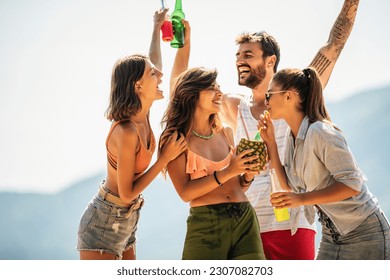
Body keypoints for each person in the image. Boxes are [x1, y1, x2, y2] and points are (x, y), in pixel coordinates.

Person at [218, 0, 361, 259]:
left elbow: (333, 47)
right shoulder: (233, 106)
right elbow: (187, 94)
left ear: (270, 60)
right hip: (245, 224)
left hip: (292, 224)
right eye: (237, 55)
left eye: (248, 55)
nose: (239, 60)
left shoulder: (296, 94)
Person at [77, 9, 187, 260]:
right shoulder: (126, 131)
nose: (160, 74)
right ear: (138, 87)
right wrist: (164, 159)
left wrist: (156, 26)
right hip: (103, 221)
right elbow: (126, 192)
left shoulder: (143, 114)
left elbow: (153, 61)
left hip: (127, 219)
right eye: (153, 74)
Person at [259, 66, 390, 260]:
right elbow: (288, 185)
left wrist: (302, 199)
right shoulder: (292, 136)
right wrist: (270, 143)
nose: (266, 100)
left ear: (289, 96)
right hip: (332, 233)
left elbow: (352, 184)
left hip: (366, 232)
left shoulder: (321, 132)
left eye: (269, 94)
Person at [159, 26, 266, 258]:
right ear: (191, 94)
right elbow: (186, 193)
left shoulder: (225, 132)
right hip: (206, 223)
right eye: (211, 88)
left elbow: (236, 184)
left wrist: (247, 175)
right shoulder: (175, 139)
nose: (219, 93)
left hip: (245, 218)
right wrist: (229, 170)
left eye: (219, 88)